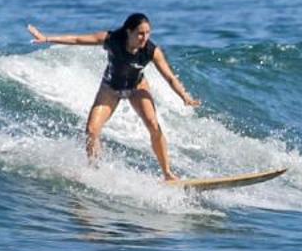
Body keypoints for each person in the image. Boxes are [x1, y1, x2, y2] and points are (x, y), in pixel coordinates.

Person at [25, 13, 200, 180]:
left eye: (147, 33)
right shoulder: (111, 39)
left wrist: (184, 96)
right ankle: (94, 170)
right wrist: (46, 38)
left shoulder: (151, 51)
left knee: (154, 125)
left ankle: (167, 173)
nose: (145, 38)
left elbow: (169, 77)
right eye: (140, 33)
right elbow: (78, 39)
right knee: (92, 130)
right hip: (110, 88)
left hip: (137, 87)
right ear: (128, 31)